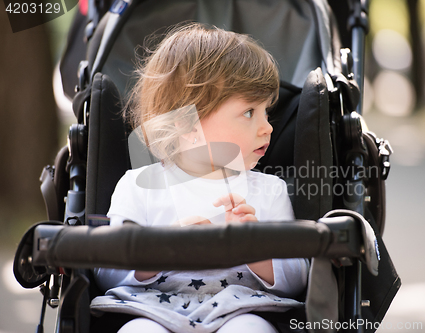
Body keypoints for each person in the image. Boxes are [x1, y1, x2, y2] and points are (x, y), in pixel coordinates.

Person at [90, 23, 309, 333]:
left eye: (266, 112)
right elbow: (104, 272)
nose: (267, 127)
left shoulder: (269, 191)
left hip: (240, 309)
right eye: (249, 112)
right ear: (188, 127)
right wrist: (158, 251)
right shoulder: (136, 186)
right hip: (150, 311)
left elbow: (299, 278)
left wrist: (257, 248)